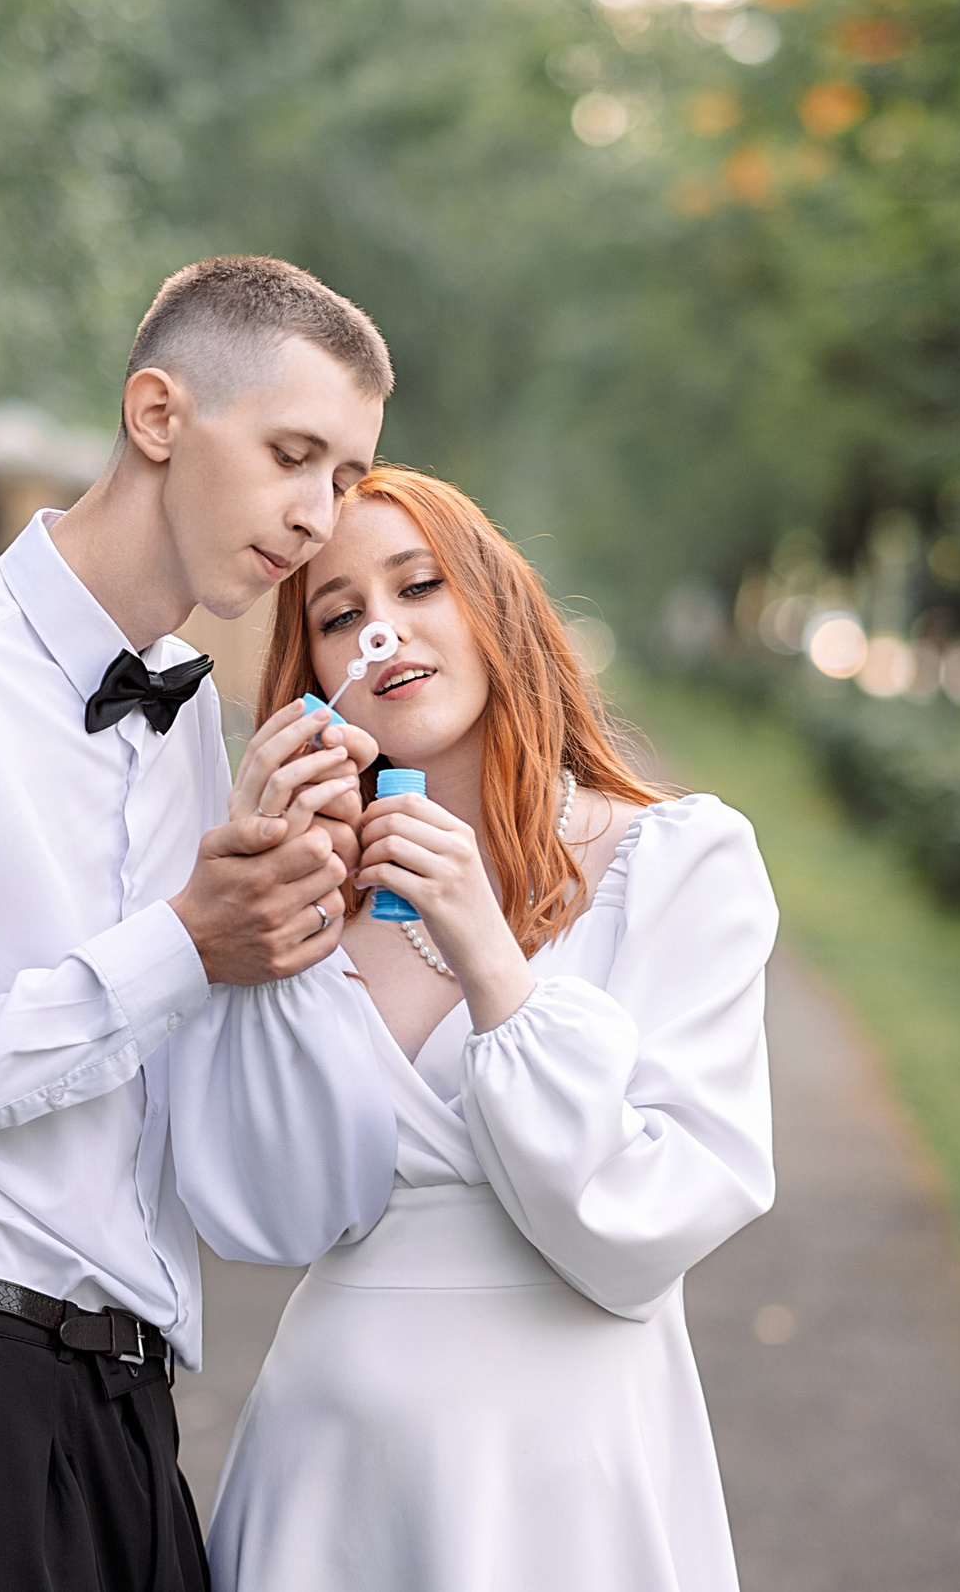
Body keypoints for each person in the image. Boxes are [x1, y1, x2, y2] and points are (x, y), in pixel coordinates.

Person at [0, 257, 408, 1592]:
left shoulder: (188, 728)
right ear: (159, 414)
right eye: (294, 455)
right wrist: (182, 944)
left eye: (345, 477)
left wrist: (284, 951)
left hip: (125, 1409)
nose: (315, 517)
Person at [191, 466, 779, 1592]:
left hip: (569, 1476)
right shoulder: (310, 896)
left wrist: (489, 956)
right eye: (339, 614)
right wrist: (271, 914)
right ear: (312, 675)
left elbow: (646, 1227)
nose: (385, 631)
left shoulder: (678, 861)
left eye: (421, 585)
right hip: (332, 1476)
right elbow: (264, 1212)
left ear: (496, 607)